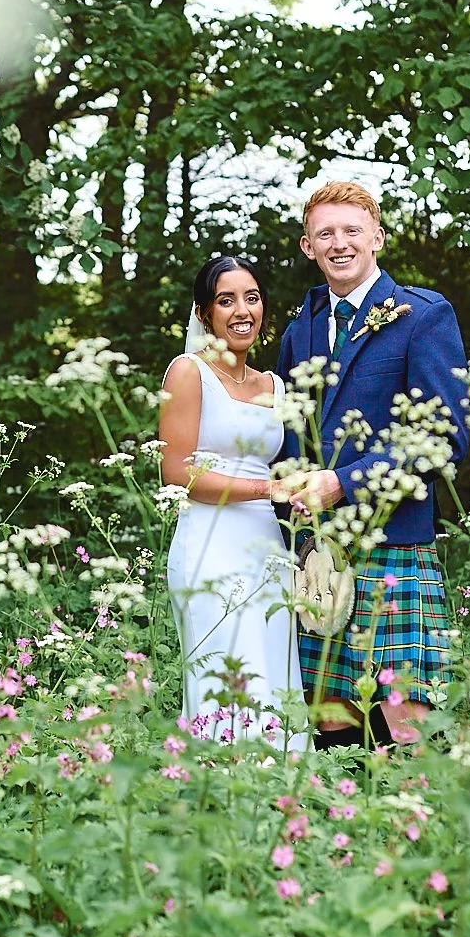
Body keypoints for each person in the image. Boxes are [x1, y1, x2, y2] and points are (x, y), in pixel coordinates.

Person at [274, 180, 469, 750]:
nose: (340, 243)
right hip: (321, 549)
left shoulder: (422, 316)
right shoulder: (300, 330)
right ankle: (341, 829)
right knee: (331, 713)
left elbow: (441, 437)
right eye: (325, 233)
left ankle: (407, 832)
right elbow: (294, 432)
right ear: (308, 246)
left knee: (400, 711)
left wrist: (342, 482)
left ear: (377, 238)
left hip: (394, 540)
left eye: (351, 230)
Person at [158, 253, 303, 748]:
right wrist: (268, 489)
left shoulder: (275, 385)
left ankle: (283, 804)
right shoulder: (188, 372)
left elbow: (280, 469)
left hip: (267, 549)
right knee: (226, 677)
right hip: (210, 547)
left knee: (272, 674)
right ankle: (218, 801)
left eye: (252, 298)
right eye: (226, 300)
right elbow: (176, 472)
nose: (243, 310)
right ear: (203, 313)